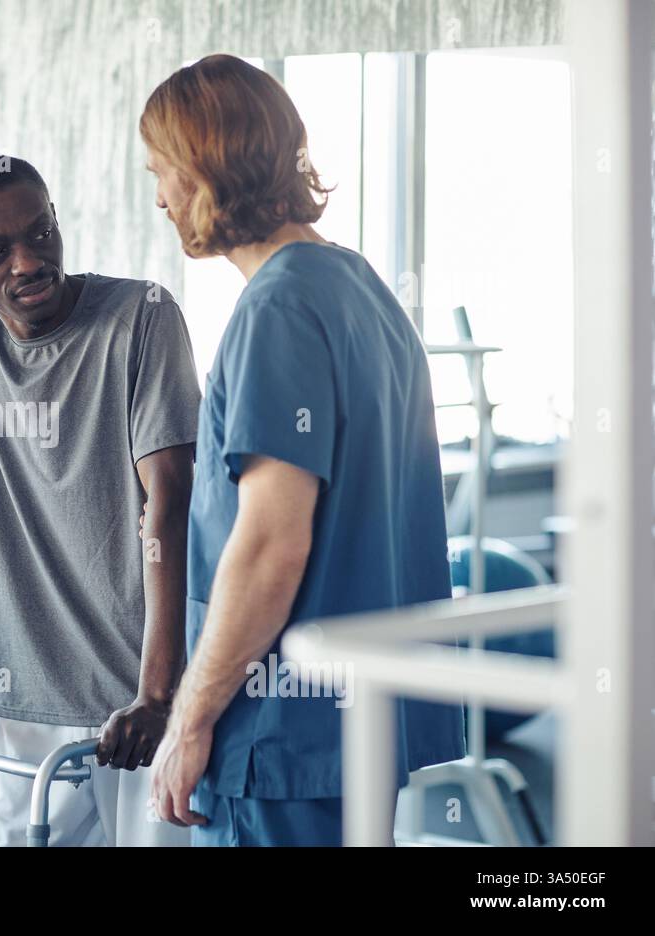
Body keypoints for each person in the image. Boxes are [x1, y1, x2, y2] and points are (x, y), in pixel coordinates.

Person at [140, 54, 465, 846]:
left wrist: (189, 717)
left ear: (206, 168)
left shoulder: (277, 309)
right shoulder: (363, 290)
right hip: (353, 731)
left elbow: (271, 543)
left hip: (278, 739)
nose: (157, 196)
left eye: (162, 171)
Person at [0, 154, 200, 846]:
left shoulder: (140, 317)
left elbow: (169, 501)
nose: (29, 261)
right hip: (24, 681)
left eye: (42, 233)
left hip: (138, 687)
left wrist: (158, 692)